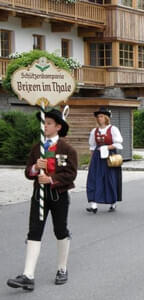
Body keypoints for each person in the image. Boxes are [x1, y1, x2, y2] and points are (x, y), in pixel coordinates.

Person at [7, 109, 78, 291]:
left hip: (59, 195)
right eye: (44, 123)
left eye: (48, 123)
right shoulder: (36, 148)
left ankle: (62, 268)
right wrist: (34, 168)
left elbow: (71, 174)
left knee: (60, 230)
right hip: (39, 195)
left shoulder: (67, 149)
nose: (44, 126)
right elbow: (28, 173)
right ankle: (28, 275)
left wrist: (52, 179)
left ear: (58, 127)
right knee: (34, 231)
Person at [86, 107, 123, 213]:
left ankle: (113, 202)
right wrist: (91, 160)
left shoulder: (113, 129)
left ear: (106, 117)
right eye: (98, 117)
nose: (99, 119)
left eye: (101, 116)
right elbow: (92, 146)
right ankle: (93, 204)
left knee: (110, 179)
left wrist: (106, 147)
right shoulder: (94, 131)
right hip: (97, 158)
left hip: (109, 157)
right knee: (93, 178)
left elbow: (118, 144)